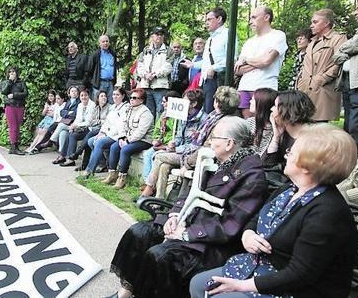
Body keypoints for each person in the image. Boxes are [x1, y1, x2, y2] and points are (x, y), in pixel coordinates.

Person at [107, 116, 268, 298]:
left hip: (211, 241)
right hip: (188, 222)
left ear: (229, 143)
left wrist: (186, 234)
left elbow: (229, 226)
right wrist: (175, 216)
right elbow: (190, 192)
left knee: (160, 255)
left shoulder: (251, 176)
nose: (209, 141)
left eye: (214, 137)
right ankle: (126, 293)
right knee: (139, 233)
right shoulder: (215, 160)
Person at [190, 124, 358, 298]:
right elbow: (257, 217)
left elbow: (300, 274)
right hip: (263, 267)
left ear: (307, 166)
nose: (286, 154)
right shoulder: (290, 189)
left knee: (220, 296)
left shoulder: (327, 212)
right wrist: (248, 234)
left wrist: (242, 286)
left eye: (291, 152)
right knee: (198, 284)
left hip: (297, 289)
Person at [140, 87, 238, 199]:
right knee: (164, 166)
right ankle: (158, 200)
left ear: (194, 103)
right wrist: (174, 143)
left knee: (158, 156)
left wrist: (178, 151)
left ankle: (148, 190)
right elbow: (179, 136)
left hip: (192, 155)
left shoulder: (207, 119)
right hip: (186, 152)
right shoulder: (204, 117)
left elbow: (198, 145)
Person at [234, 7, 287, 118]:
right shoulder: (249, 42)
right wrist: (260, 61)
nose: (250, 21)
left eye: (254, 17)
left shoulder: (278, 36)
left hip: (265, 86)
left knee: (263, 124)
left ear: (266, 17)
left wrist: (246, 60)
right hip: (244, 86)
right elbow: (238, 70)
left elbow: (266, 61)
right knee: (247, 125)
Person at [296, 8, 347, 122]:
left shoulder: (338, 38)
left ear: (326, 23)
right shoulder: (312, 41)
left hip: (323, 91)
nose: (311, 25)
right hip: (305, 90)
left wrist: (322, 79)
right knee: (303, 128)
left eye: (315, 22)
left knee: (319, 130)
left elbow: (340, 62)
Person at [102, 88, 154, 189]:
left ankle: (122, 177)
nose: (131, 99)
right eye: (131, 97)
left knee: (125, 149)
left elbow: (140, 132)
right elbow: (122, 124)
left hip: (144, 140)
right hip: (128, 138)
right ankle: (112, 174)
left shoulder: (146, 113)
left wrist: (128, 141)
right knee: (114, 147)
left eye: (134, 98)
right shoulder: (128, 109)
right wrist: (122, 137)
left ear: (141, 100)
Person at [334, 0, 358, 152]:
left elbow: (347, 46)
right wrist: (350, 50)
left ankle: (355, 155)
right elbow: (337, 55)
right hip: (348, 80)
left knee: (356, 122)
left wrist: (347, 49)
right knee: (349, 118)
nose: (355, 12)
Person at [80, 87, 130, 178]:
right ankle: (104, 163)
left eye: (117, 95)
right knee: (91, 141)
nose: (115, 96)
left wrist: (106, 134)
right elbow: (107, 122)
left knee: (99, 142)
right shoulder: (113, 107)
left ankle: (89, 171)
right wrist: (101, 132)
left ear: (123, 96)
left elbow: (120, 125)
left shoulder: (125, 108)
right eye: (114, 94)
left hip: (118, 135)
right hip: (109, 133)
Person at [263, 90, 315, 169]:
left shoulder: (313, 139)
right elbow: (267, 165)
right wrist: (276, 138)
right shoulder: (284, 134)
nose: (271, 109)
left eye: (275, 106)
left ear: (287, 110)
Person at [141, 91, 180, 184]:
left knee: (154, 156)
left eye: (164, 101)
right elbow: (157, 130)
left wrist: (170, 143)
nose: (162, 104)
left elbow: (177, 134)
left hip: (171, 145)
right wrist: (156, 139)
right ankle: (147, 181)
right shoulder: (163, 115)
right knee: (147, 154)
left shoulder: (179, 117)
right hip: (161, 143)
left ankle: (152, 184)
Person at [65, 90, 110, 168]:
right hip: (94, 128)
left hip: (104, 130)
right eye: (101, 96)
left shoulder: (109, 107)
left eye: (105, 96)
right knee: (83, 138)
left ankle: (78, 153)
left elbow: (107, 121)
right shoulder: (97, 108)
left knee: (89, 137)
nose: (104, 98)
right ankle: (80, 162)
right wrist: (74, 125)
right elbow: (92, 121)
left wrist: (98, 121)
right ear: (98, 98)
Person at [136, 26, 174, 118]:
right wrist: (145, 75)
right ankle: (150, 131)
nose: (159, 37)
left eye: (161, 35)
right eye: (157, 34)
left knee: (161, 111)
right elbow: (139, 65)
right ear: (152, 36)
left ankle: (159, 131)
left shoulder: (169, 51)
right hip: (146, 86)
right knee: (148, 112)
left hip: (161, 86)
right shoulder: (145, 50)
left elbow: (168, 67)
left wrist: (155, 74)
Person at [200, 7, 233, 114]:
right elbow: (206, 62)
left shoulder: (228, 34)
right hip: (207, 80)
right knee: (206, 111)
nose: (206, 23)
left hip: (218, 79)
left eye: (209, 19)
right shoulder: (210, 38)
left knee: (215, 111)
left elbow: (232, 58)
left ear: (219, 19)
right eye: (206, 20)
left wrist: (214, 68)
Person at [53, 88, 95, 165]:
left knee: (73, 135)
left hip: (89, 129)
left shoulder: (92, 105)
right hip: (81, 128)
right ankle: (63, 156)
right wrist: (73, 126)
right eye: (82, 95)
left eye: (86, 95)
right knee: (70, 133)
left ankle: (70, 159)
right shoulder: (80, 105)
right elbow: (78, 118)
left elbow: (89, 122)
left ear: (89, 96)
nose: (83, 97)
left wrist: (76, 125)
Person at [0, 66, 28, 155]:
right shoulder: (5, 82)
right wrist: (10, 82)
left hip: (20, 106)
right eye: (10, 72)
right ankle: (13, 147)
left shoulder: (21, 82)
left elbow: (25, 93)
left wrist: (14, 95)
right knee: (13, 127)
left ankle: (14, 147)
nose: (12, 73)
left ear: (16, 73)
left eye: (13, 72)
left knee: (18, 127)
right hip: (10, 106)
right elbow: (4, 92)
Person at [45, 86, 80, 151]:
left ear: (78, 93)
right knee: (62, 133)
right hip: (66, 122)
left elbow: (75, 114)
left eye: (75, 91)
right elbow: (62, 112)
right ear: (69, 93)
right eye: (72, 91)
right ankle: (61, 153)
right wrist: (68, 113)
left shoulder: (79, 102)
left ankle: (51, 141)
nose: (74, 93)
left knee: (60, 125)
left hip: (73, 124)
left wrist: (67, 113)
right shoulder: (69, 102)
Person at [246, 88, 277, 156]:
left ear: (261, 104)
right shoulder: (249, 122)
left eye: (253, 100)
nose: (250, 101)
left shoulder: (273, 129)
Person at [89, 35, 117, 102]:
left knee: (111, 104)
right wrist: (92, 82)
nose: (105, 43)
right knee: (98, 103)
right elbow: (89, 69)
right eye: (103, 41)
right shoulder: (95, 55)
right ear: (99, 44)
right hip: (99, 83)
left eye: (107, 41)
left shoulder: (113, 54)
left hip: (110, 83)